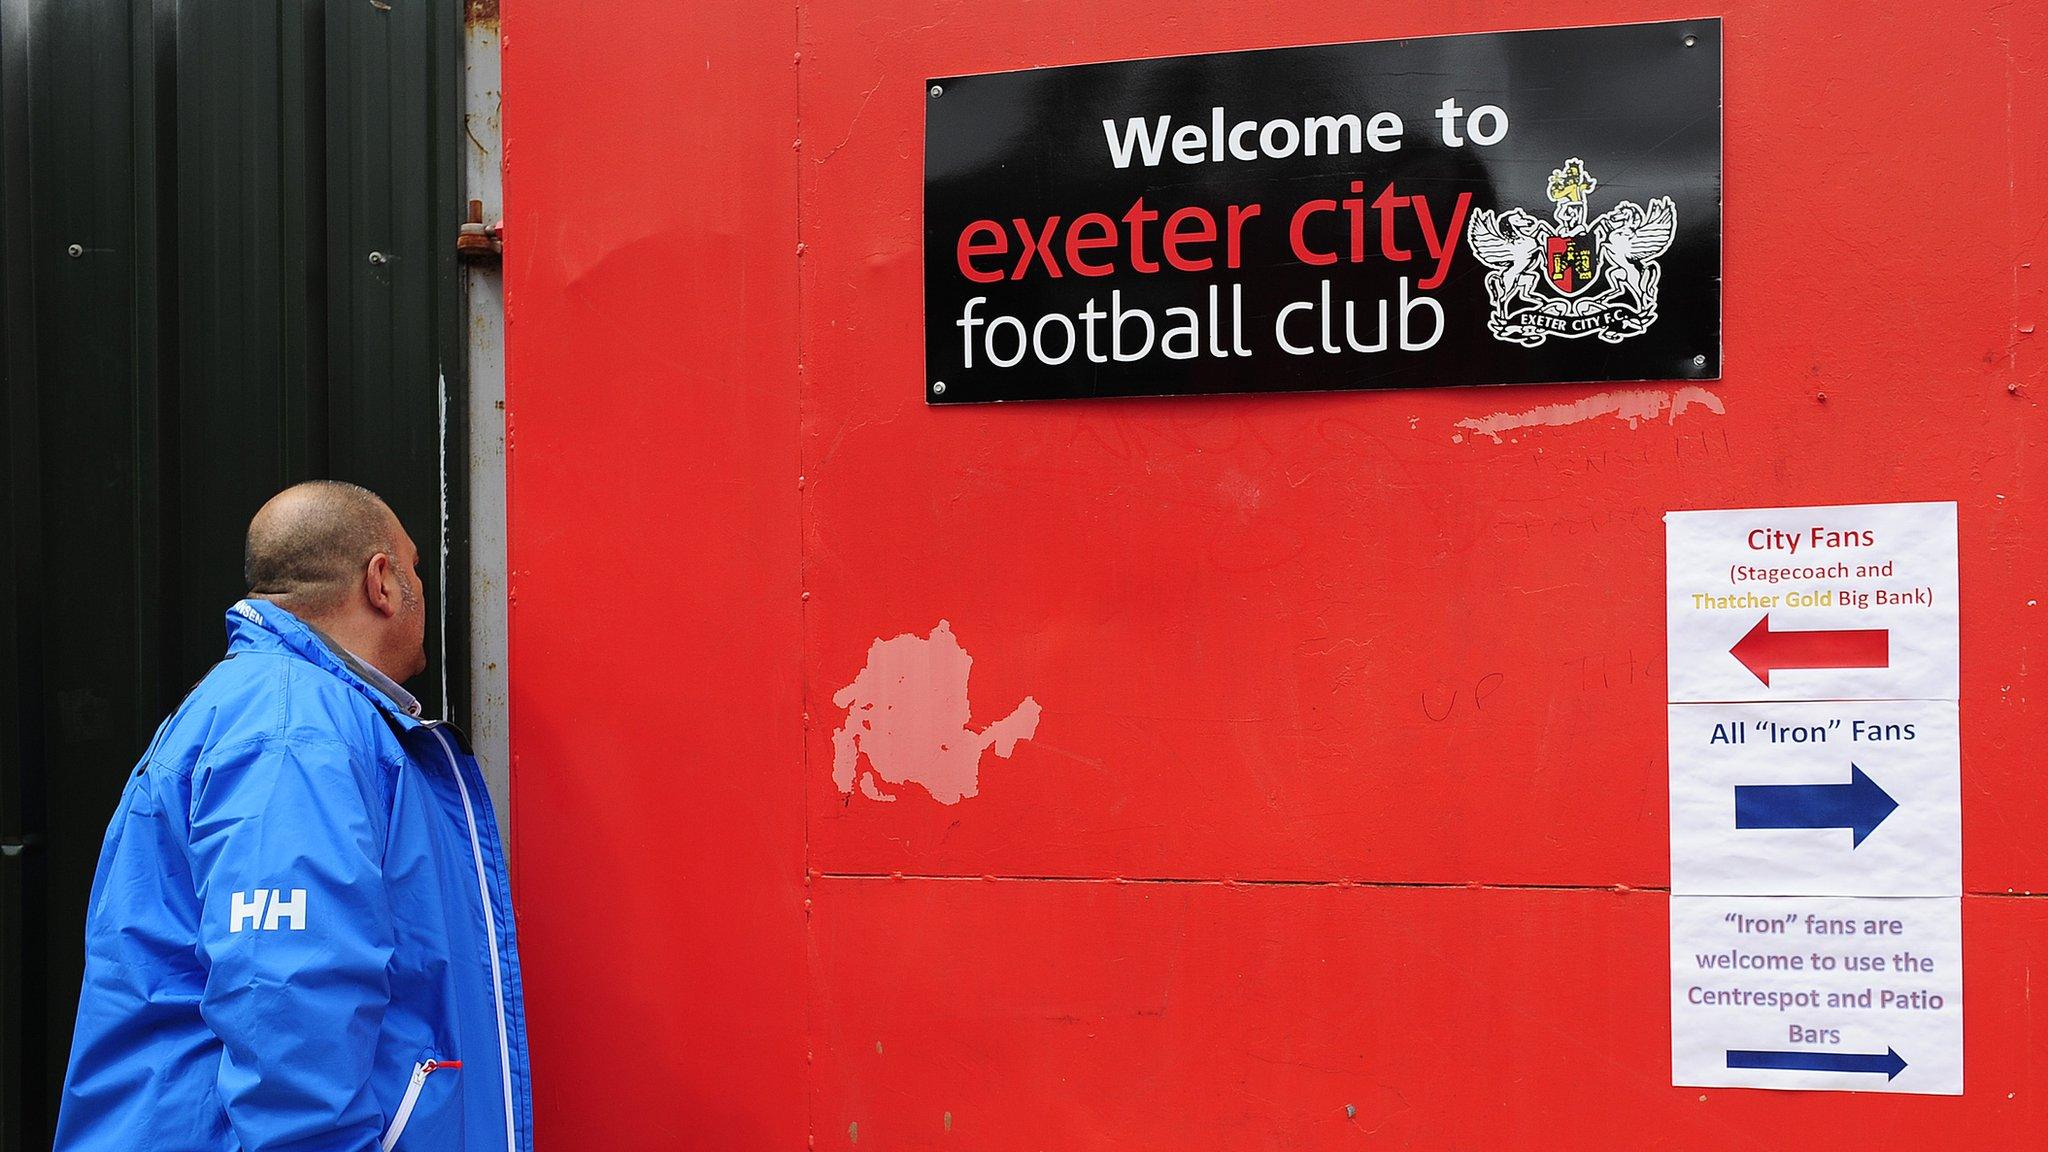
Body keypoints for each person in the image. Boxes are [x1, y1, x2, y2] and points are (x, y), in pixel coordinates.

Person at [53, 481, 532, 1152]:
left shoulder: (276, 712)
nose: (421, 587)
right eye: (415, 566)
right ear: (382, 582)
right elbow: (287, 990)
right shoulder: (293, 730)